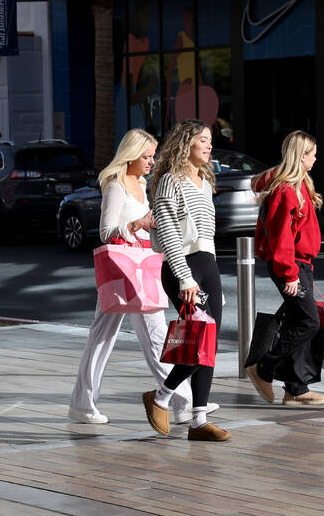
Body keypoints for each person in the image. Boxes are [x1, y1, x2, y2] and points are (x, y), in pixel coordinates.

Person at [69, 128, 193, 426]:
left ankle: (183, 400)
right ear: (131, 155)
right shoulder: (115, 186)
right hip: (121, 270)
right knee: (103, 337)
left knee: (157, 336)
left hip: (143, 268)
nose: (151, 162)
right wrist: (138, 223)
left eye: (152, 156)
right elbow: (105, 233)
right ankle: (82, 404)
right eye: (146, 156)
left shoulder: (141, 183)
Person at [142, 119, 231, 442]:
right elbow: (166, 232)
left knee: (209, 347)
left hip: (208, 267)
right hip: (185, 269)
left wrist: (211, 279)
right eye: (202, 140)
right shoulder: (170, 181)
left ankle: (199, 420)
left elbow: (205, 236)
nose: (209, 145)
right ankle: (162, 396)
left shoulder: (204, 182)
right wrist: (184, 277)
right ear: (185, 144)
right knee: (198, 344)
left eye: (210, 141)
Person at [245, 130, 324, 406]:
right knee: (308, 322)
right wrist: (289, 273)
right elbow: (281, 236)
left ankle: (295, 389)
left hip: (301, 264)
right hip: (291, 266)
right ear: (301, 155)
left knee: (297, 321)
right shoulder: (286, 190)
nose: (315, 159)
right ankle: (263, 368)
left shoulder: (299, 184)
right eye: (312, 154)